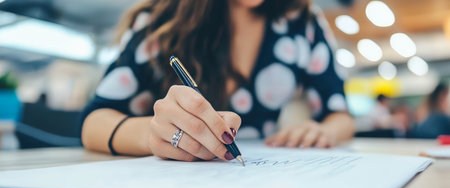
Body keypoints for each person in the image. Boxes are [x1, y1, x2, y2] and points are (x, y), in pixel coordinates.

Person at [81, 0, 355, 162]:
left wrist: (325, 132)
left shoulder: (302, 21)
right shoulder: (159, 20)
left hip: (258, 187)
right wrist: (151, 135)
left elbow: (340, 116)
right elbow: (93, 123)